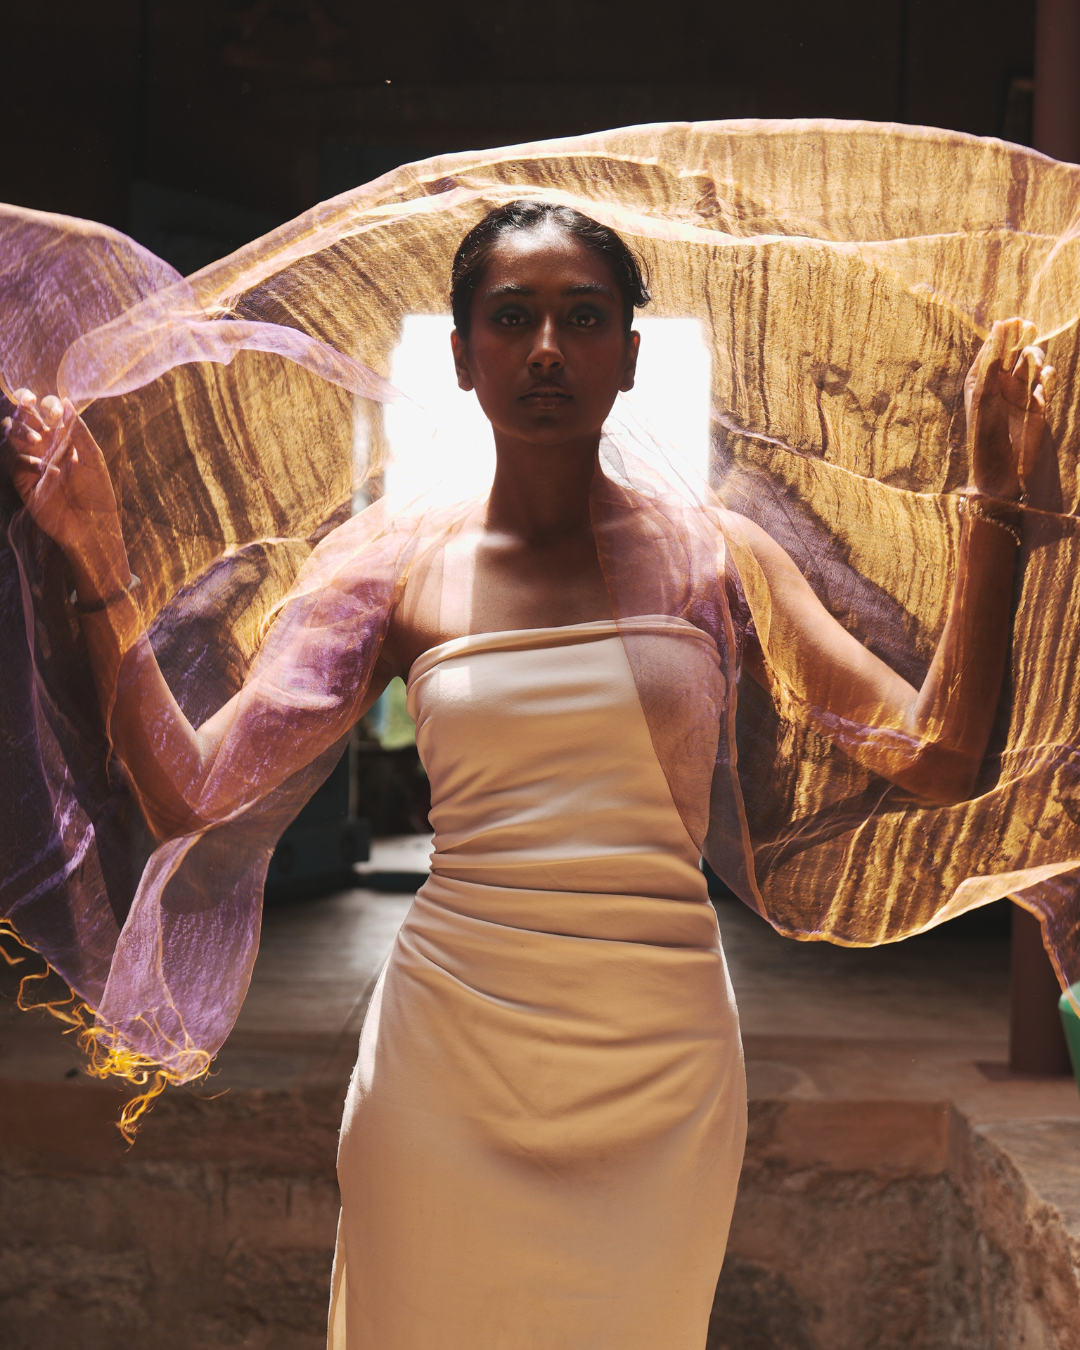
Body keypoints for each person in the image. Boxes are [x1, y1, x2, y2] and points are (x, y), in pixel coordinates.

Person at [0, 199, 1056, 1348]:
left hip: (661, 1065)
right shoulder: (389, 569)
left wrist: (994, 506)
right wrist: (98, 560)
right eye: (512, 318)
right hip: (447, 1061)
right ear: (463, 357)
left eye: (583, 318)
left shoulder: (716, 557)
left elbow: (942, 755)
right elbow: (194, 796)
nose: (548, 348)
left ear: (630, 355)